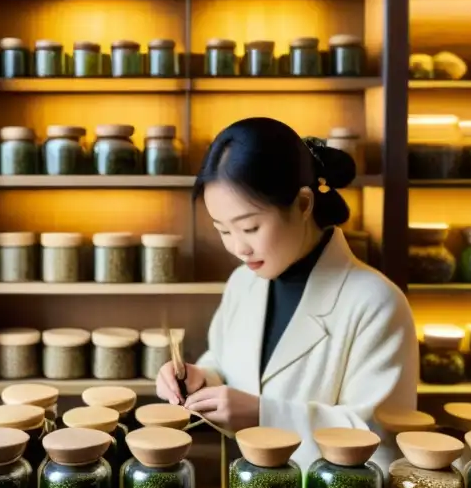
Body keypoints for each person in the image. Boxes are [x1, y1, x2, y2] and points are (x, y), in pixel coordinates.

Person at [155, 116, 418, 468]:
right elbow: (226, 363)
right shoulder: (243, 284)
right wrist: (201, 380)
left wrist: (265, 415)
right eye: (223, 230)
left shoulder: (376, 303)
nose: (238, 248)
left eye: (249, 227)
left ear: (304, 204)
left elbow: (380, 436)